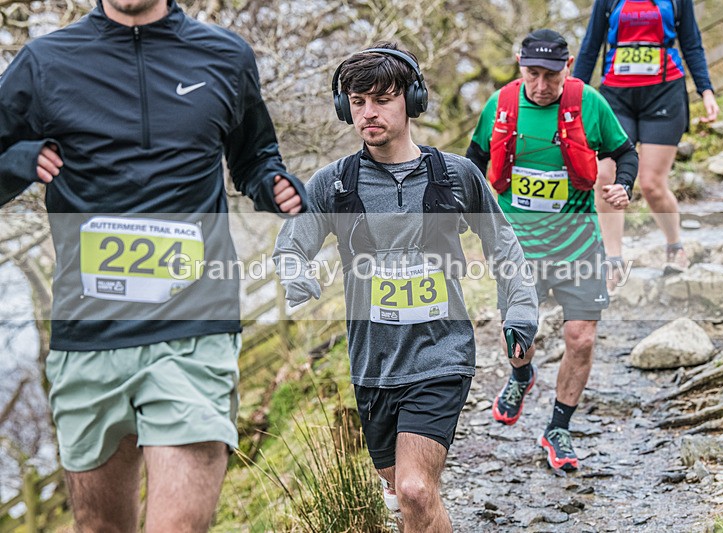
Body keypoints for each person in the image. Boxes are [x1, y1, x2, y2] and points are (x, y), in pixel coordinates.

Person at [0, 0, 306, 530]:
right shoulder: (45, 62)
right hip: (89, 332)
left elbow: (254, 154)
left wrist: (271, 186)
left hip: (194, 325)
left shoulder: (224, 56)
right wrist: (20, 161)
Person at [273, 42, 538, 530]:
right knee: (402, 496)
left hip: (442, 355)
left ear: (411, 101)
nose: (368, 113)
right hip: (373, 363)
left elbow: (503, 246)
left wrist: (519, 311)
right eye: (357, 103)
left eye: (381, 99)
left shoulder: (456, 176)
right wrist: (296, 274)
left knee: (416, 490)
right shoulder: (333, 184)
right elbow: (291, 246)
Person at [466, 29, 638, 471]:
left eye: (551, 75)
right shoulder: (500, 107)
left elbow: (624, 151)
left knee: (581, 338)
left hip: (578, 244)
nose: (541, 86)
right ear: (519, 65)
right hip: (518, 247)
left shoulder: (588, 104)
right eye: (532, 74)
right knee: (518, 337)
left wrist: (622, 185)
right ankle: (522, 374)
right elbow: (471, 164)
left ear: (568, 67)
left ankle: (558, 427)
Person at [574, 0, 719, 276]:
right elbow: (590, 46)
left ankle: (675, 247)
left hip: (664, 94)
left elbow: (691, 43)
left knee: (651, 184)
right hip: (616, 96)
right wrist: (572, 94)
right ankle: (613, 261)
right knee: (606, 177)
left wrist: (706, 90)